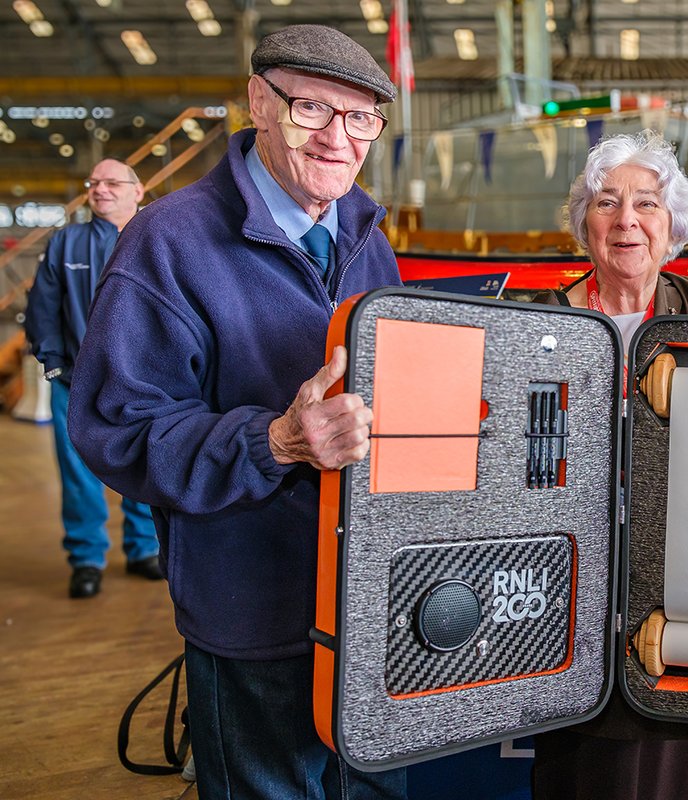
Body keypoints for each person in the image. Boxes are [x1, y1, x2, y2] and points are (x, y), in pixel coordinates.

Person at [67, 25, 408, 799]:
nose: (337, 138)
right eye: (312, 109)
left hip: (371, 605)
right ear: (259, 103)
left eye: (360, 120)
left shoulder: (366, 236)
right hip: (254, 613)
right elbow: (116, 428)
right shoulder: (169, 243)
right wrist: (277, 440)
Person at [530, 130, 688, 800]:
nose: (627, 220)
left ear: (672, 225)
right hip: (567, 591)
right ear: (585, 222)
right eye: (607, 202)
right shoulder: (535, 322)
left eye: (646, 203)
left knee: (677, 762)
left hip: (679, 593)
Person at [23, 159, 160, 599]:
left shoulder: (160, 239)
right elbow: (43, 308)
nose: (100, 189)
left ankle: (144, 549)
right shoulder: (67, 243)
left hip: (147, 385)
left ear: (137, 192)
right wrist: (54, 363)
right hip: (76, 382)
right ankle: (86, 558)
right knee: (78, 473)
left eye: (112, 182)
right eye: (93, 183)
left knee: (144, 464)